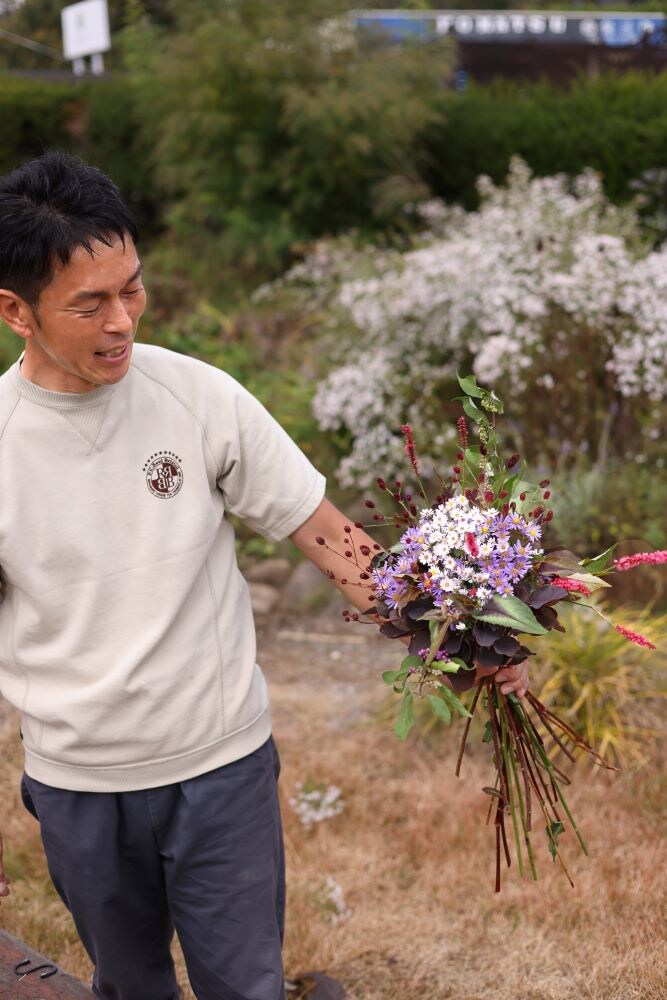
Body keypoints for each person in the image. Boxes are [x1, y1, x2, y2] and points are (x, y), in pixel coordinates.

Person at [0, 152, 529, 1000]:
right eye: (88, 304)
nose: (123, 321)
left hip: (220, 765)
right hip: (78, 784)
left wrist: (456, 634)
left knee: (242, 986)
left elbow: (325, 536)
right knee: (128, 985)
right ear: (14, 311)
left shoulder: (197, 398)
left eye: (132, 288)